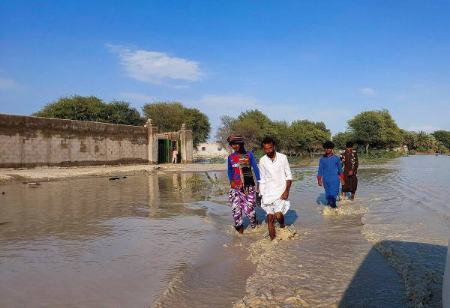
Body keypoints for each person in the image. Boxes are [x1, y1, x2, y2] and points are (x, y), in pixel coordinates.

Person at [259, 137, 292, 240]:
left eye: (270, 148)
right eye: (265, 149)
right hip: (268, 192)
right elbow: (262, 179)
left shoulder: (283, 158)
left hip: (280, 191)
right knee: (269, 218)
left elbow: (289, 176)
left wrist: (287, 191)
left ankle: (282, 226)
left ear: (274, 146)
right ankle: (273, 243)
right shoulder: (262, 160)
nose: (268, 150)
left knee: (278, 215)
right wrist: (260, 193)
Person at [227, 135, 261, 234]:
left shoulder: (248, 155)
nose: (235, 146)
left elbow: (255, 169)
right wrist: (231, 181)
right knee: (236, 213)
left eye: (236, 144)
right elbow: (230, 171)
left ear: (241, 144)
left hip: (248, 187)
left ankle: (255, 228)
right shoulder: (231, 157)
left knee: (249, 211)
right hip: (235, 188)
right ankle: (239, 237)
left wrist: (259, 183)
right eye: (232, 144)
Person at [317, 141, 344, 208]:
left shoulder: (336, 158)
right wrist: (319, 180)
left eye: (329, 148)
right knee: (328, 197)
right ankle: (331, 215)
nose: (327, 150)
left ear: (332, 149)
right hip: (325, 180)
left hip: (335, 180)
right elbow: (320, 170)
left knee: (333, 196)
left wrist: (342, 179)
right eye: (326, 148)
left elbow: (340, 170)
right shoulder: (322, 159)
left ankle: (335, 211)